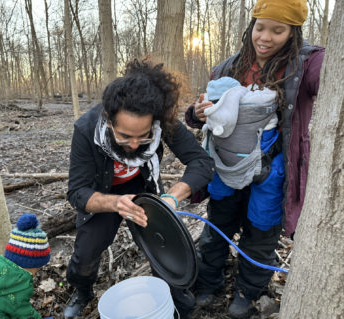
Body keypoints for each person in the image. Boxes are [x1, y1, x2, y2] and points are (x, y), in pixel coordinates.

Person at [185, 0, 325, 317]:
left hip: (272, 171)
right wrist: (195, 113)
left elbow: (329, 77)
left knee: (261, 232)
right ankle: (208, 282)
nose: (265, 37)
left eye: (278, 30)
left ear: (293, 33)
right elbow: (199, 118)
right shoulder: (227, 68)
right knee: (217, 225)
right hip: (226, 166)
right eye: (260, 27)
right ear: (251, 26)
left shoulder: (306, 65)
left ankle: (247, 293)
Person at [63, 58, 214, 319]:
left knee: (162, 244)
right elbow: (77, 192)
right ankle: (83, 290)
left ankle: (174, 293)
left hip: (144, 187)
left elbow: (202, 162)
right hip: (103, 192)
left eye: (143, 136)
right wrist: (114, 204)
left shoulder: (163, 122)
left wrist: (172, 198)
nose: (134, 145)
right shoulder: (86, 129)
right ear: (109, 120)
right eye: (124, 136)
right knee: (86, 252)